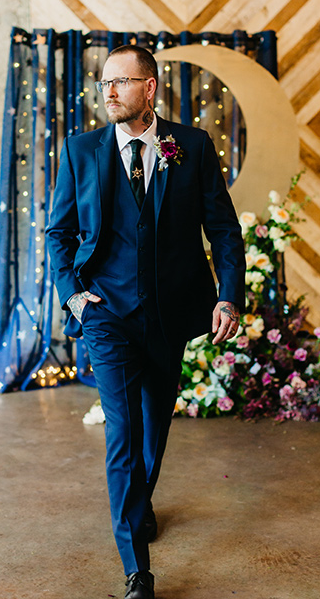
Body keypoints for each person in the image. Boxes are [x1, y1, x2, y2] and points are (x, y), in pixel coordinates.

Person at [45, 45, 245, 599]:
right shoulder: (82, 150)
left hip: (169, 313)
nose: (107, 92)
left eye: (120, 82)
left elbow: (224, 230)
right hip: (105, 313)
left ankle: (139, 498)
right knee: (123, 432)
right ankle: (138, 567)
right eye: (103, 83)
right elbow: (59, 234)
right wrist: (75, 296)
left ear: (149, 88)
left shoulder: (192, 146)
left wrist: (228, 298)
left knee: (156, 423)